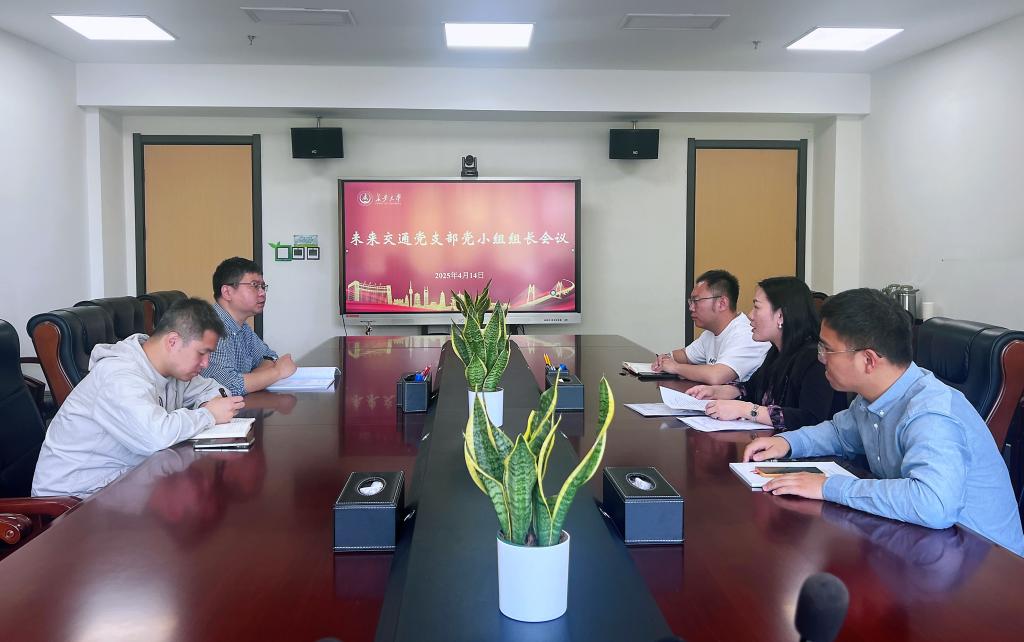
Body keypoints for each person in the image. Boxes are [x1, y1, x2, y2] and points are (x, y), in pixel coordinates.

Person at [744, 288, 1024, 557]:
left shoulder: (931, 412)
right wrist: (787, 442)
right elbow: (840, 433)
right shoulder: (874, 396)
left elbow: (933, 503)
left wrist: (827, 486)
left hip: (985, 566)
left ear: (868, 360)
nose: (821, 359)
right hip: (925, 544)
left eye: (827, 349)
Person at [32, 298, 245, 498]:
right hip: (74, 500)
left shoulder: (171, 370)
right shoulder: (119, 376)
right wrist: (208, 414)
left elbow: (214, 389)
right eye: (202, 353)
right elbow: (156, 436)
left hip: (121, 482)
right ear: (173, 342)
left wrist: (210, 403)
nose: (206, 364)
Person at [687, 277, 846, 430]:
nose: (750, 315)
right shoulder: (777, 351)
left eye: (756, 307)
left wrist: (746, 410)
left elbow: (810, 419)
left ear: (781, 315)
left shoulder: (815, 359)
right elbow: (752, 388)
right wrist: (718, 392)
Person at [652, 269, 769, 384]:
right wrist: (666, 357)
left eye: (696, 301)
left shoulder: (747, 334)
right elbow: (685, 355)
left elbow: (716, 376)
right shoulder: (710, 333)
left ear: (722, 303)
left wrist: (675, 368)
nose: (691, 308)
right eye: (691, 301)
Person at [202, 257, 296, 395]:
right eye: (254, 286)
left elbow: (268, 356)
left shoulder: (241, 327)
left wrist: (254, 379)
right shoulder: (211, 327)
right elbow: (227, 387)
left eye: (263, 286)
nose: (262, 293)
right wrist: (277, 372)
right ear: (227, 292)